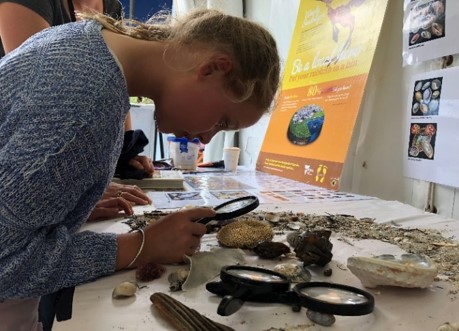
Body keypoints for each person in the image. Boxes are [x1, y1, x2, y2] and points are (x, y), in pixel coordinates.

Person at [0, 8, 280, 330]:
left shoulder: (83, 46)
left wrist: (66, 202)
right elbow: (6, 263)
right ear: (214, 69)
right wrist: (141, 245)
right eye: (221, 122)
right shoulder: (85, 100)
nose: (205, 139)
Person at [0, 0, 155, 221]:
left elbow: (116, 82)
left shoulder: (111, 6)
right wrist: (75, 197)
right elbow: (43, 106)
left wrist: (125, 153)